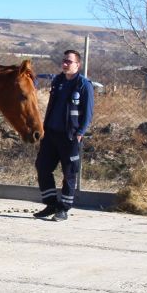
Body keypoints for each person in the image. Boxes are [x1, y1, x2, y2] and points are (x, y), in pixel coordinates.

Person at [33, 49, 94, 221]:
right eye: (64, 61)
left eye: (69, 61)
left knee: (69, 173)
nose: (65, 64)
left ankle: (64, 208)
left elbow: (88, 113)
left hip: (70, 137)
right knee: (43, 167)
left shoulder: (84, 85)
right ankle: (51, 203)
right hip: (51, 134)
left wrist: (80, 133)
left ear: (78, 65)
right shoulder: (58, 81)